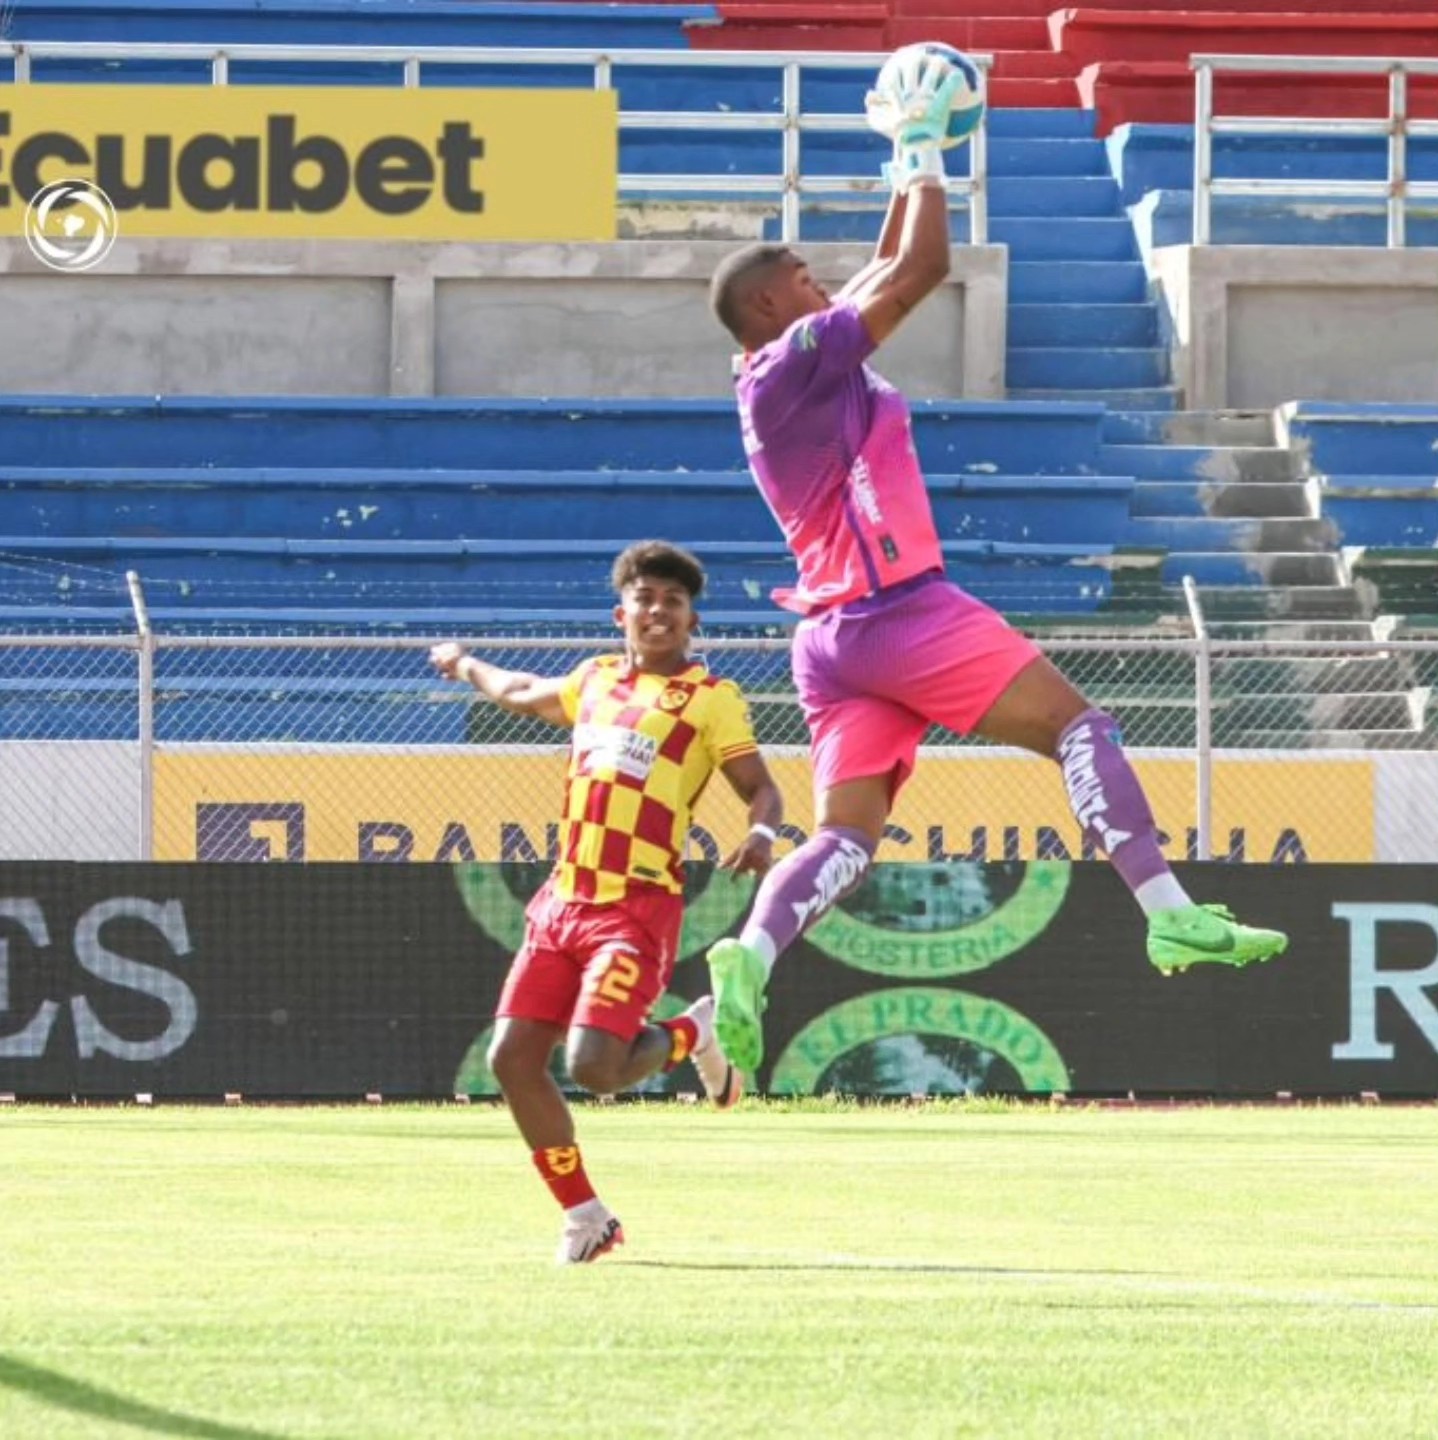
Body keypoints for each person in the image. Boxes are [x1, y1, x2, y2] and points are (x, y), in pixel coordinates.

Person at [703, 46, 1288, 1074]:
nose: (824, 283)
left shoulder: (782, 375)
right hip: (897, 609)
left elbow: (888, 272)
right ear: (766, 307)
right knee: (1079, 725)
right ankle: (1168, 910)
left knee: (844, 835)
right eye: (803, 279)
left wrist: (901, 162)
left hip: (833, 639)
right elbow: (922, 272)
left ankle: (749, 953)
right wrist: (925, 152)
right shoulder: (787, 362)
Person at [429, 540, 782, 1264]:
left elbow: (760, 786)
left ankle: (693, 1034)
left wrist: (763, 830)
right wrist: (464, 664)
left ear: (691, 622)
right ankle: (586, 1217)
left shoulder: (710, 699)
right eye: (645, 600)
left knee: (595, 1068)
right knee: (511, 1059)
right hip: (562, 901)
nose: (657, 612)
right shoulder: (592, 679)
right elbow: (521, 691)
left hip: (635, 907)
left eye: (673, 604)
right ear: (620, 612)